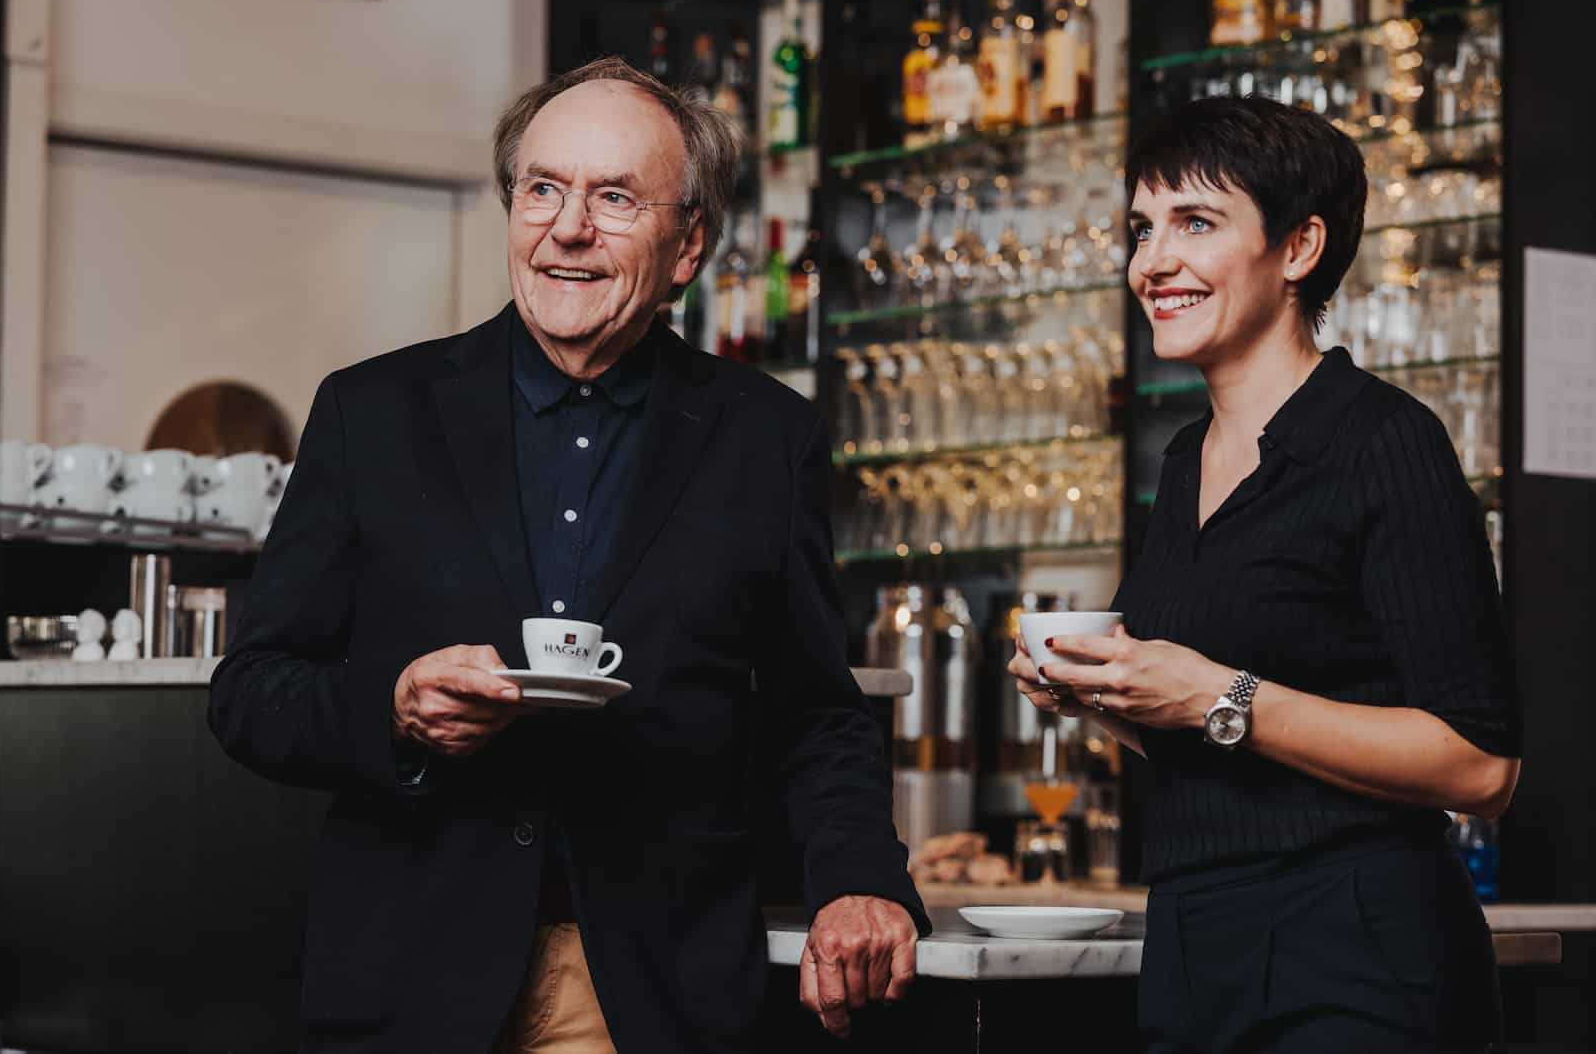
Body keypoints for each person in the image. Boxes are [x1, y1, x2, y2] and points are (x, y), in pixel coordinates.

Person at [209, 57, 926, 1054]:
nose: (568, 227)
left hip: (642, 989)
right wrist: (395, 710)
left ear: (689, 245)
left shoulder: (768, 437)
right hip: (409, 982)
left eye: (615, 197)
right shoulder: (370, 413)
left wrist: (858, 880)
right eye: (542, 188)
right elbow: (251, 692)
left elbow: (815, 712)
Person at [1009, 95, 1521, 1053]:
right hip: (1194, 941)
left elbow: (1481, 765)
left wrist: (1215, 692)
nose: (1152, 262)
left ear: (1299, 248)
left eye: (1196, 223)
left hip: (1355, 945)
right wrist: (1101, 694)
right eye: (1142, 229)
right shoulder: (1182, 460)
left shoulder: (1384, 440)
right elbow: (1211, 737)